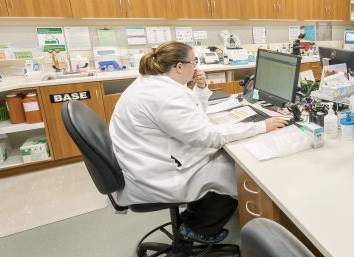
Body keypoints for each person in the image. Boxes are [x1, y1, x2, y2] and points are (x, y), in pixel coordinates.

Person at [110, 41, 287, 244]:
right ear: (178, 67)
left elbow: (192, 116)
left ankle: (196, 217)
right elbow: (207, 136)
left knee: (222, 158)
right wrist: (261, 126)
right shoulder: (166, 96)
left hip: (147, 159)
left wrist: (201, 88)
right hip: (155, 173)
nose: (195, 67)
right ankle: (198, 227)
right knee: (236, 169)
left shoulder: (153, 83)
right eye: (193, 62)